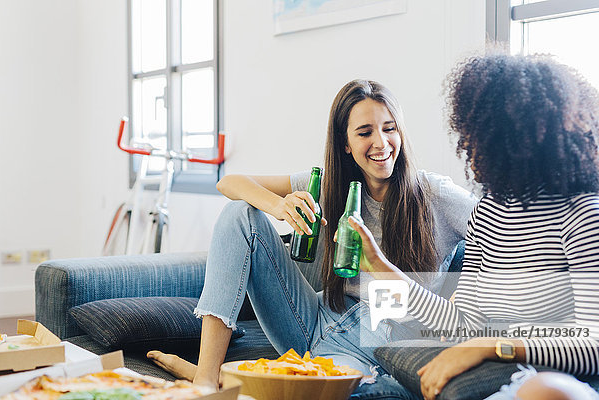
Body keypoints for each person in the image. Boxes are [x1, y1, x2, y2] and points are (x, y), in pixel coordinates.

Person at [147, 79, 477, 397]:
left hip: (375, 344)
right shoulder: (328, 186)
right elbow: (230, 183)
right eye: (365, 132)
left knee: (343, 394)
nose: (381, 142)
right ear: (345, 144)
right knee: (240, 214)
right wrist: (278, 205)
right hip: (313, 318)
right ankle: (205, 380)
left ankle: (238, 380)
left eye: (389, 128)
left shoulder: (435, 195)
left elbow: (502, 230)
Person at [348, 54, 599, 400]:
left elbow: (593, 343)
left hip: (552, 380)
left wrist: (494, 346)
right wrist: (381, 268)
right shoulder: (488, 213)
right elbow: (463, 324)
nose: (475, 147)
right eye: (475, 134)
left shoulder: (582, 213)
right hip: (491, 376)